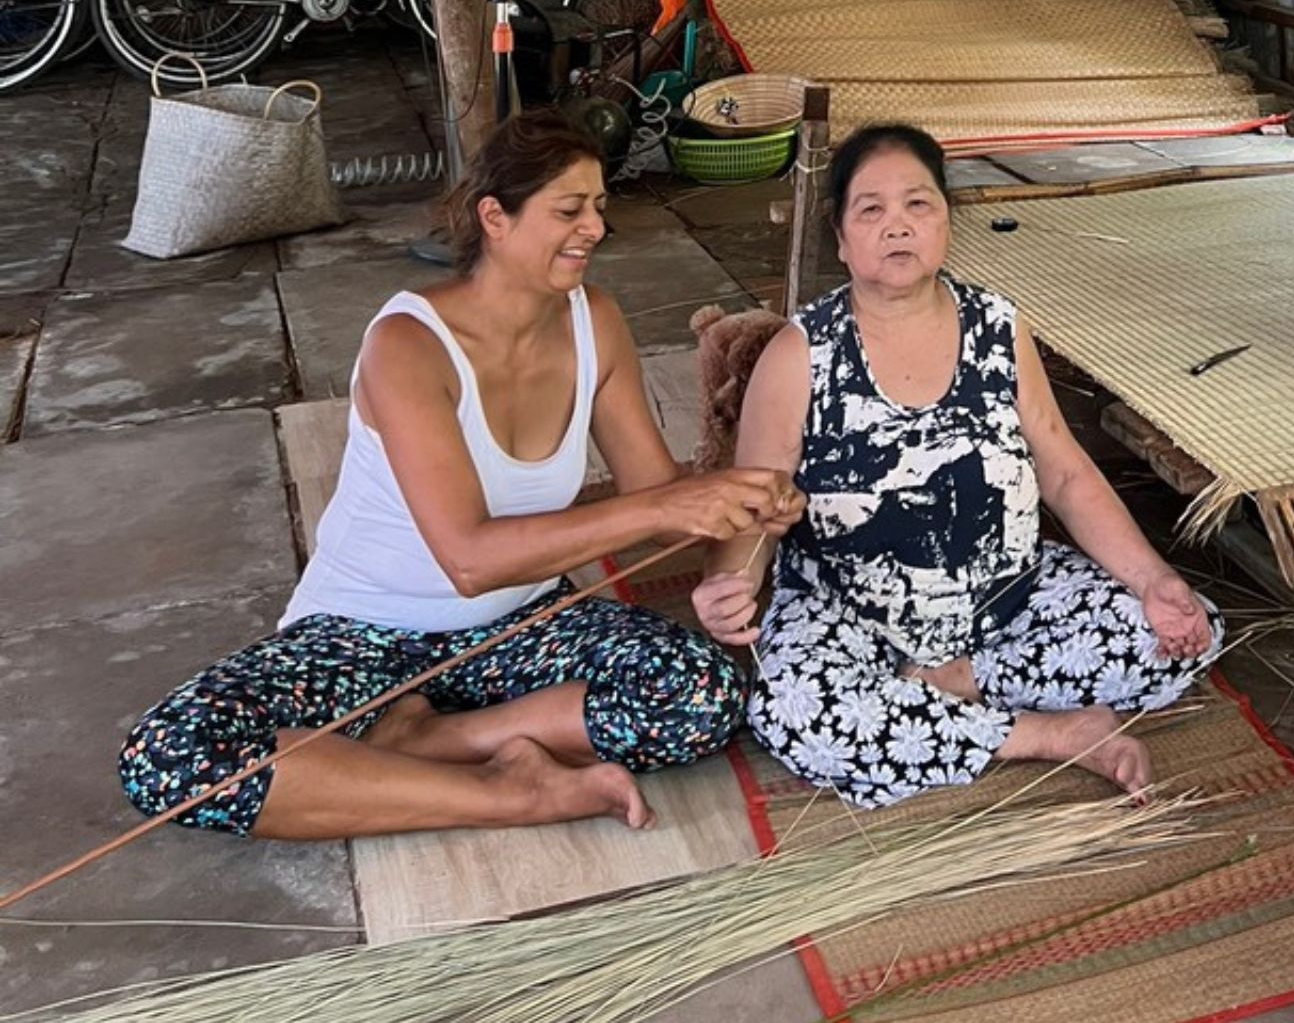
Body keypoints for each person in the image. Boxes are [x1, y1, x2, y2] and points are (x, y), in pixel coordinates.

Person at [120, 111, 803, 839]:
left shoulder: (593, 320)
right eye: (569, 210)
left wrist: (738, 501)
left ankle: (430, 739)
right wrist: (674, 507)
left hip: (522, 624)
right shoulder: (408, 344)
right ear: (495, 218)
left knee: (699, 693)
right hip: (369, 632)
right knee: (172, 756)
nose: (595, 228)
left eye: (599, 207)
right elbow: (470, 562)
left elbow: (654, 498)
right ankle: (515, 794)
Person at [691, 124, 1222, 808]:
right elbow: (754, 506)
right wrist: (730, 584)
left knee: (1184, 631)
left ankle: (951, 686)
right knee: (795, 710)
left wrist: (1153, 580)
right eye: (871, 209)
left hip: (1006, 602)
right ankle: (1046, 734)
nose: (898, 225)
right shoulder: (801, 354)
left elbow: (1065, 473)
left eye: (918, 204)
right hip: (852, 615)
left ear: (946, 220)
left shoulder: (999, 326)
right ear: (841, 236)